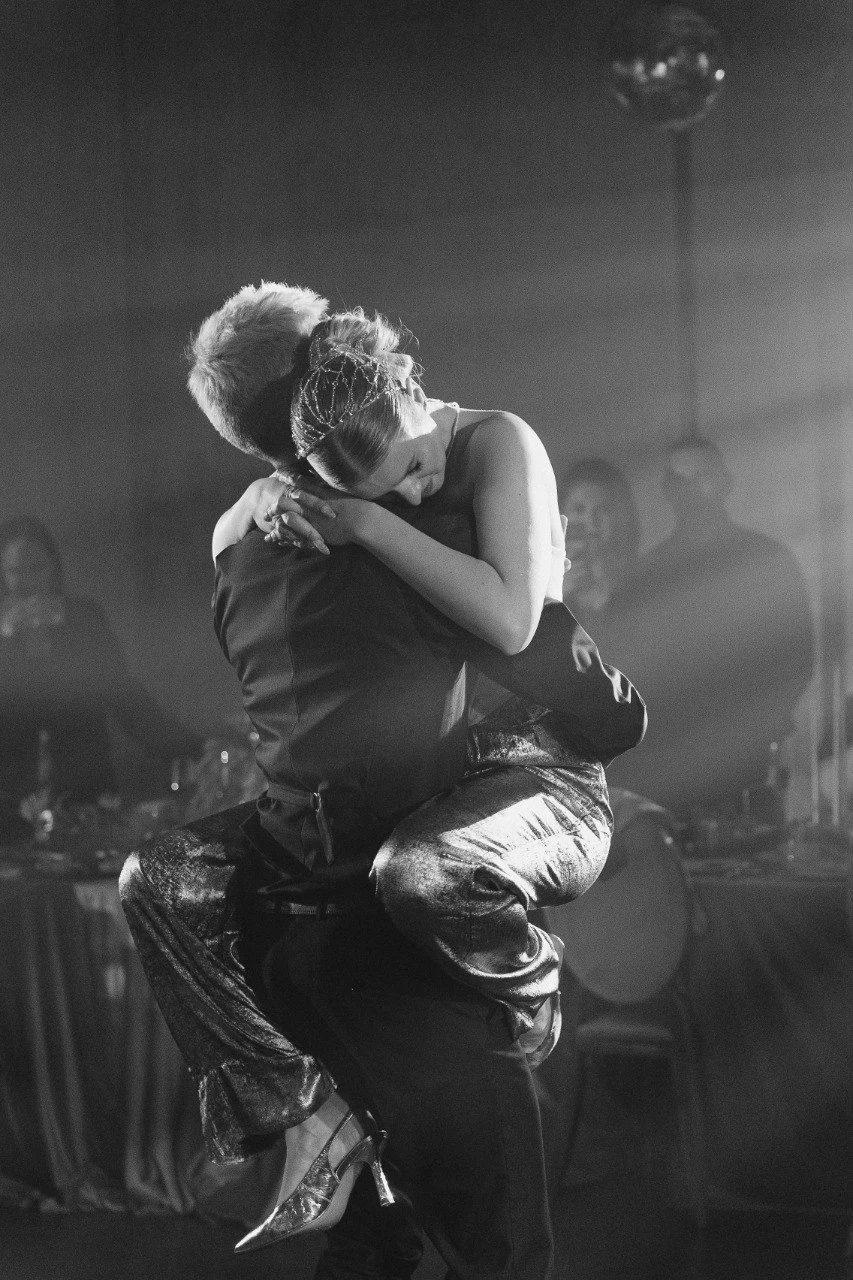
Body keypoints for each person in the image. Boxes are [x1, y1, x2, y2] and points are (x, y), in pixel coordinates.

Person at [120, 283, 645, 1279]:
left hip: (522, 783)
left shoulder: (488, 446)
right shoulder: (282, 514)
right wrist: (275, 506)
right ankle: (302, 1112)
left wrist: (364, 524)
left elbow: (517, 628)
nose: (409, 490)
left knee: (421, 874)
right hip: (386, 849)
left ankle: (525, 983)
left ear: (374, 373)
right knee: (160, 876)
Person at [600, 436, 814, 816]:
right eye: (680, 480)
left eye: (702, 477)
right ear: (668, 490)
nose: (693, 491)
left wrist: (760, 727)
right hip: (666, 768)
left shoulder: (767, 563)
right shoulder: (645, 577)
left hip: (748, 764)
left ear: (724, 482)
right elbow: (625, 669)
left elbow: (797, 658)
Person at [0, 516, 202, 823]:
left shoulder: (84, 621)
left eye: (36, 568)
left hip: (86, 798)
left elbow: (125, 697)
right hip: (12, 805)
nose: (26, 581)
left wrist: (191, 747)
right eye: (14, 571)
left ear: (54, 568)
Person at [559, 457, 642, 618]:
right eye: (579, 510)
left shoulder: (639, 577)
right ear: (562, 513)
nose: (591, 522)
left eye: (602, 510)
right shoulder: (543, 578)